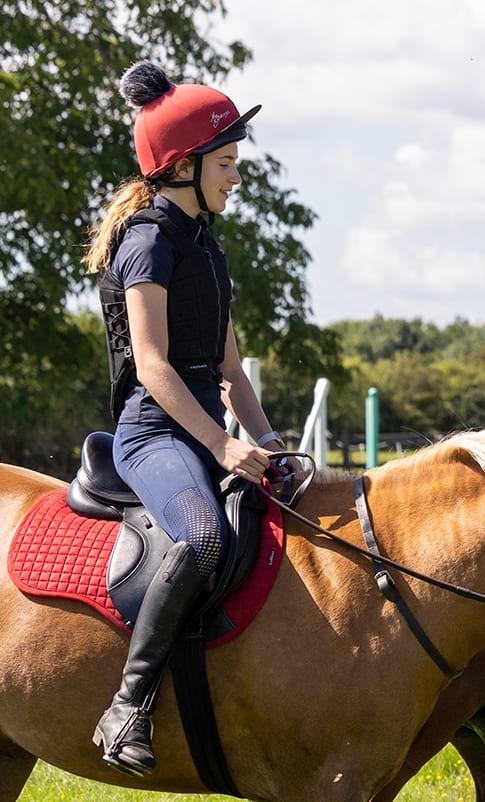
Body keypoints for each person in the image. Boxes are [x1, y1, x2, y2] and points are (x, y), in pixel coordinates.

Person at [81, 60, 295, 775]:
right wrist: (222, 447)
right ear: (183, 165)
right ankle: (128, 706)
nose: (237, 177)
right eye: (227, 163)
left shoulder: (209, 248)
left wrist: (266, 441)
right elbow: (154, 367)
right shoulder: (147, 242)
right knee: (202, 535)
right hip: (153, 434)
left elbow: (230, 371)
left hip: (205, 430)